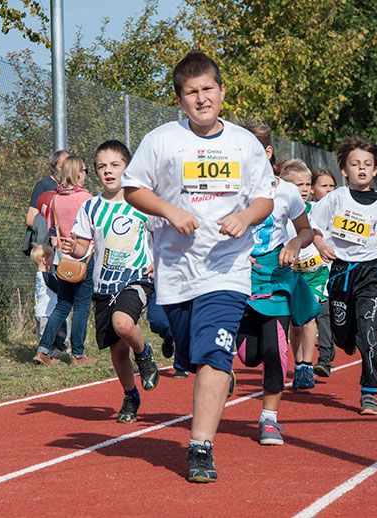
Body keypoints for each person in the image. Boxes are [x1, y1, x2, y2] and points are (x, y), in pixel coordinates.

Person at [122, 51, 274, 483]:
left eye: (209, 89)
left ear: (222, 92)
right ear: (180, 99)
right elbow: (134, 187)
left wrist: (245, 218)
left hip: (227, 267)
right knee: (189, 353)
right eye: (192, 92)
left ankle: (200, 446)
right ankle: (206, 367)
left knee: (213, 354)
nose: (202, 98)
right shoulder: (162, 140)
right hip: (177, 270)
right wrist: (170, 212)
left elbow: (264, 197)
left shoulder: (244, 143)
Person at [309, 136, 377, 416]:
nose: (362, 169)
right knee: (344, 339)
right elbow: (315, 226)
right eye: (355, 164)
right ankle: (349, 339)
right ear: (344, 170)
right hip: (341, 272)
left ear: (375, 170)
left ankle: (369, 391)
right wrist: (321, 244)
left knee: (369, 334)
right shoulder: (335, 198)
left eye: (368, 164)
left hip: (371, 274)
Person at [62, 140, 160, 422]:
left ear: (127, 168)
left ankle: (144, 353)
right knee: (117, 350)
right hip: (103, 284)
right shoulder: (91, 207)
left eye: (115, 165)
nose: (108, 171)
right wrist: (73, 249)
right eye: (101, 166)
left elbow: (161, 237)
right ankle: (130, 395)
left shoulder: (143, 203)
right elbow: (82, 247)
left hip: (136, 278)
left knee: (124, 324)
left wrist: (158, 262)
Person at [236, 150, 318, 445]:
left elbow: (305, 230)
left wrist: (295, 243)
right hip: (240, 280)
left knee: (276, 350)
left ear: (267, 151)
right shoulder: (230, 186)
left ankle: (268, 419)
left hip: (277, 280)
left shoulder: (286, 192)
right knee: (249, 356)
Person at [36, 155, 96, 366]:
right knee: (81, 307)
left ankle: (43, 349)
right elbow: (94, 226)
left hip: (63, 257)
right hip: (84, 256)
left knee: (62, 305)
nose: (85, 174)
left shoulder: (55, 198)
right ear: (78, 172)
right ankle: (78, 354)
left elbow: (52, 227)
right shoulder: (85, 198)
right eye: (85, 170)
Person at [279, 160, 335, 381]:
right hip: (293, 273)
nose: (304, 189)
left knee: (310, 316)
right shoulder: (280, 212)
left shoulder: (316, 210)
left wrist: (322, 247)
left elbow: (318, 231)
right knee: (297, 323)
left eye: (307, 184)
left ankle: (305, 366)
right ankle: (298, 363)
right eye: (298, 184)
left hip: (315, 273)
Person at [26, 151, 70, 345]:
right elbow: (30, 218)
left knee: (66, 294)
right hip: (50, 250)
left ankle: (62, 342)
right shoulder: (44, 186)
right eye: (63, 164)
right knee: (48, 299)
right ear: (54, 166)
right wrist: (51, 230)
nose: (68, 167)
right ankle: (47, 344)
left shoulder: (72, 188)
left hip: (69, 250)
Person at [30, 244, 70, 364]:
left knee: (57, 332)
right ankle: (45, 356)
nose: (53, 261)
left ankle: (53, 352)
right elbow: (58, 288)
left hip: (43, 311)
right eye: (52, 258)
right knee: (47, 334)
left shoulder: (41, 275)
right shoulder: (46, 276)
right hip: (46, 312)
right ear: (44, 259)